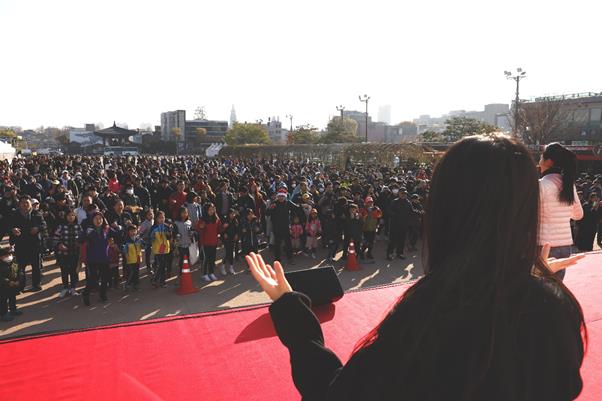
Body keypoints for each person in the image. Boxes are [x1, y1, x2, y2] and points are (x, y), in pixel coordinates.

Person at [246, 135, 587, 401]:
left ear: (445, 211)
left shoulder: (432, 314)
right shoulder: (557, 307)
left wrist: (291, 310)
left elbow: (339, 394)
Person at [538, 142, 584, 281]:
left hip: (543, 245)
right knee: (556, 287)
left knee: (539, 287)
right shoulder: (568, 186)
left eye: (541, 157)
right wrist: (562, 212)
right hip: (564, 246)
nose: (539, 160)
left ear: (548, 161)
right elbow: (579, 215)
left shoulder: (541, 185)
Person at [9, 195, 48, 291]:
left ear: (30, 203)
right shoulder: (15, 214)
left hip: (35, 243)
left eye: (27, 202)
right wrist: (13, 230)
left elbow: (44, 225)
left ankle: (36, 284)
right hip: (21, 243)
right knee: (20, 267)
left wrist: (37, 228)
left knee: (36, 266)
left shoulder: (37, 213)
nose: (25, 204)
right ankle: (20, 286)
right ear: (19, 204)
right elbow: (9, 226)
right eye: (23, 202)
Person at [82, 212, 114, 306]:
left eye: (100, 218)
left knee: (105, 277)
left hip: (104, 257)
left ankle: (103, 294)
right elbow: (80, 239)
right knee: (93, 279)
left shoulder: (106, 229)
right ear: (92, 220)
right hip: (93, 258)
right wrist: (86, 235)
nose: (98, 220)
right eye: (96, 218)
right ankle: (86, 294)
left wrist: (119, 228)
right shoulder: (89, 230)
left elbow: (118, 234)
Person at [52, 209, 82, 298]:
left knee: (74, 271)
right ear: (66, 216)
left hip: (75, 253)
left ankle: (73, 288)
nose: (71, 217)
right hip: (63, 253)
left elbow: (83, 238)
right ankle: (65, 287)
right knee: (64, 271)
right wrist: (59, 244)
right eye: (69, 215)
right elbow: (55, 238)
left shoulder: (79, 226)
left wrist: (79, 243)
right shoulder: (61, 226)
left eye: (73, 215)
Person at [197, 203, 221, 282]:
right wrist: (201, 228)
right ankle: (204, 274)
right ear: (206, 210)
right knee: (206, 259)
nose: (211, 211)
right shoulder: (202, 220)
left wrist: (223, 228)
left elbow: (219, 229)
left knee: (212, 259)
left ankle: (211, 273)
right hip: (205, 243)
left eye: (212, 209)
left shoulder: (216, 219)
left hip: (214, 242)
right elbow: (199, 230)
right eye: (209, 210)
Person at [149, 210, 171, 288]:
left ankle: (161, 281)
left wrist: (169, 233)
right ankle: (157, 280)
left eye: (163, 217)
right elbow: (150, 238)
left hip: (165, 248)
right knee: (161, 264)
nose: (162, 219)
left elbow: (169, 237)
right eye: (160, 218)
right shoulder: (153, 228)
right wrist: (153, 237)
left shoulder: (166, 226)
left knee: (163, 265)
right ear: (156, 219)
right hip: (157, 249)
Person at [0, 248, 22, 322]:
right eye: (6, 255)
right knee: (3, 300)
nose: (9, 256)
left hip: (13, 284)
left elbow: (19, 271)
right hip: (3, 286)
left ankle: (13, 309)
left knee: (12, 297)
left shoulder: (14, 262)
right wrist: (8, 282)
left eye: (10, 254)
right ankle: (4, 314)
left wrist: (19, 280)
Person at [173, 206, 193, 276]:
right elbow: (174, 233)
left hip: (188, 243)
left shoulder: (189, 222)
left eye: (186, 213)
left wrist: (192, 233)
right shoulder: (176, 223)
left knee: (187, 256)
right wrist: (177, 235)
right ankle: (181, 272)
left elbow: (192, 231)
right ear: (179, 214)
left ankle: (186, 270)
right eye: (183, 213)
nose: (184, 214)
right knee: (182, 257)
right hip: (180, 244)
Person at [122, 225, 142, 290]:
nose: (133, 232)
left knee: (137, 272)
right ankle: (127, 284)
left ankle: (136, 285)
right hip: (130, 259)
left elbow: (143, 246)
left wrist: (142, 243)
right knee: (131, 272)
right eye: (131, 231)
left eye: (134, 231)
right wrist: (126, 257)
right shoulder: (127, 241)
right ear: (128, 232)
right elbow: (124, 251)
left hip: (138, 258)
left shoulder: (138, 239)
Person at [221, 208, 239, 275]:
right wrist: (224, 233)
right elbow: (221, 229)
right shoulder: (225, 220)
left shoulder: (235, 221)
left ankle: (231, 267)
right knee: (228, 252)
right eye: (231, 214)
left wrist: (237, 234)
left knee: (231, 253)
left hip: (233, 239)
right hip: (226, 239)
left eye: (233, 214)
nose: (233, 215)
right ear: (228, 214)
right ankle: (223, 266)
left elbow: (237, 228)